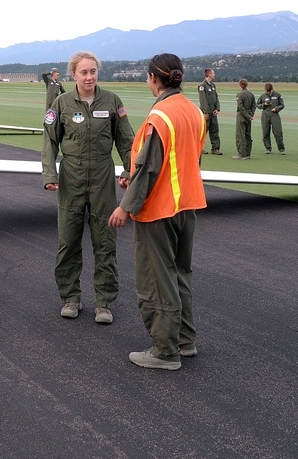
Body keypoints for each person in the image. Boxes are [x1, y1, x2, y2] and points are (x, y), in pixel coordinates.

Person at [108, 53, 206, 371]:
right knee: (179, 275)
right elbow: (184, 160)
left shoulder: (160, 116)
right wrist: (132, 176)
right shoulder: (194, 111)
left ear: (153, 78)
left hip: (159, 209)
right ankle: (184, 341)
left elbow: (150, 168)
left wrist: (126, 206)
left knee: (155, 279)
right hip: (187, 204)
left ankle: (165, 351)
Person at [42, 51, 134, 325]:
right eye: (84, 72)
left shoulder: (112, 101)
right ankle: (71, 298)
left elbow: (126, 140)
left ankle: (104, 303)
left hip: (103, 176)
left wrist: (129, 170)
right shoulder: (61, 103)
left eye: (93, 71)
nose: (89, 76)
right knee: (68, 240)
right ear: (74, 75)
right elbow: (49, 141)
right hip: (71, 175)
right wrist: (49, 172)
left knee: (104, 240)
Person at [197, 68, 221, 155]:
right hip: (206, 111)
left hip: (213, 111)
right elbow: (203, 100)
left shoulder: (213, 85)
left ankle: (215, 148)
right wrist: (206, 112)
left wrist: (217, 109)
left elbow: (216, 97)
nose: (214, 74)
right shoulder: (202, 86)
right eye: (213, 73)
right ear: (209, 74)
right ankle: (199, 148)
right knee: (203, 131)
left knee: (214, 130)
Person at [257, 83, 286, 154]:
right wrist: (264, 105)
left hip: (274, 115)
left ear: (272, 89)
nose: (268, 92)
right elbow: (257, 104)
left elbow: (282, 105)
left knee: (278, 132)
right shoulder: (262, 96)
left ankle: (281, 149)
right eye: (267, 91)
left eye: (269, 91)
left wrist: (276, 109)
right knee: (265, 132)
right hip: (265, 115)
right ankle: (268, 148)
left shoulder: (278, 95)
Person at [233, 79, 256, 160]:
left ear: (240, 85)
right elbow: (254, 105)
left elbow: (240, 107)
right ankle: (248, 153)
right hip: (249, 116)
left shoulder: (240, 94)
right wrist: (251, 115)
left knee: (240, 135)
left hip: (242, 116)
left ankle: (242, 153)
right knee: (248, 135)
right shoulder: (251, 94)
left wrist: (247, 115)